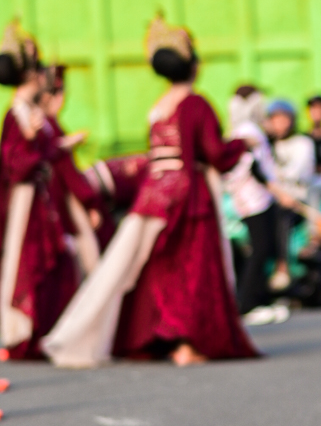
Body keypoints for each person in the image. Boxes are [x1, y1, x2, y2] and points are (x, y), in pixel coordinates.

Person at [43, 19, 258, 367]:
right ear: (193, 65)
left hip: (153, 194)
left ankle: (159, 337)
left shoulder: (159, 108)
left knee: (154, 268)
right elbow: (214, 153)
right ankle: (188, 343)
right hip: (189, 197)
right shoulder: (195, 104)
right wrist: (242, 144)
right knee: (192, 269)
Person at [0, 27, 93, 358]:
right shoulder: (17, 114)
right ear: (30, 75)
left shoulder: (28, 112)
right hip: (26, 205)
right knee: (30, 266)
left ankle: (46, 335)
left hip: (40, 201)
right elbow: (15, 164)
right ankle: (25, 336)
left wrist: (58, 145)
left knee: (55, 266)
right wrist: (32, 141)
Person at [225, 86, 287, 323]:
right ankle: (247, 303)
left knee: (265, 248)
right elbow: (255, 167)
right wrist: (277, 191)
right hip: (253, 199)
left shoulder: (247, 130)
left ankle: (260, 300)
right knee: (260, 249)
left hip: (258, 197)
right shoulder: (246, 132)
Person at [264, 100, 315, 292]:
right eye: (275, 120)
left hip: (296, 200)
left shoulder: (303, 143)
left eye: (283, 119)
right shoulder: (267, 145)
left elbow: (295, 172)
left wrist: (275, 181)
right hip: (272, 199)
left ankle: (282, 267)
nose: (279, 124)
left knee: (281, 216)